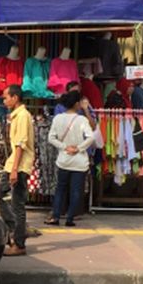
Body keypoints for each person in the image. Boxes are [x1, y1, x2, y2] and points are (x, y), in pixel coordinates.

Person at [45, 90, 94, 227]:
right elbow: (91, 137)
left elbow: (51, 138)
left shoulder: (58, 118)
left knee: (60, 189)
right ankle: (70, 218)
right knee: (76, 191)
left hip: (64, 159)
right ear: (77, 104)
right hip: (79, 161)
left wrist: (64, 147)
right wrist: (78, 148)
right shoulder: (82, 120)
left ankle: (56, 216)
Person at [1, 84, 34, 256]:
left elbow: (20, 144)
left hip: (19, 166)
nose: (4, 100)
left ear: (15, 98)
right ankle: (14, 230)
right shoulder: (16, 116)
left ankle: (19, 243)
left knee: (18, 206)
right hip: (13, 164)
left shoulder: (22, 116)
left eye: (6, 97)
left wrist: (14, 170)